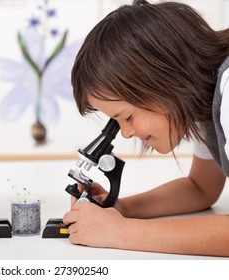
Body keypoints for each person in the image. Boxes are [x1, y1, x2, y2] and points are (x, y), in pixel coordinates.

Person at [63, 0, 229, 256]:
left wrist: (121, 232)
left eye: (128, 116)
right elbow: (201, 188)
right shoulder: (202, 103)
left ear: (163, 79)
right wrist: (119, 209)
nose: (127, 133)